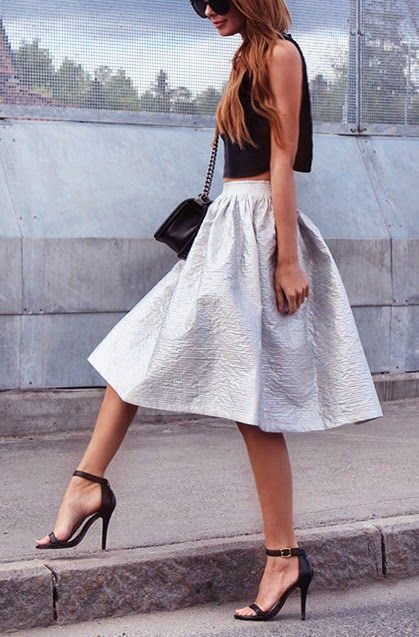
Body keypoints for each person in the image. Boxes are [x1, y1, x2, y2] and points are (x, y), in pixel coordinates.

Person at [35, 0, 383, 623]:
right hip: (226, 229)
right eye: (199, 5)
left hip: (256, 234)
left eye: (216, 2)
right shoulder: (246, 56)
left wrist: (287, 256)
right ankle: (87, 483)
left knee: (254, 402)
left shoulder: (279, 54)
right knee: (135, 354)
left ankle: (283, 556)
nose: (207, 13)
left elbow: (281, 158)